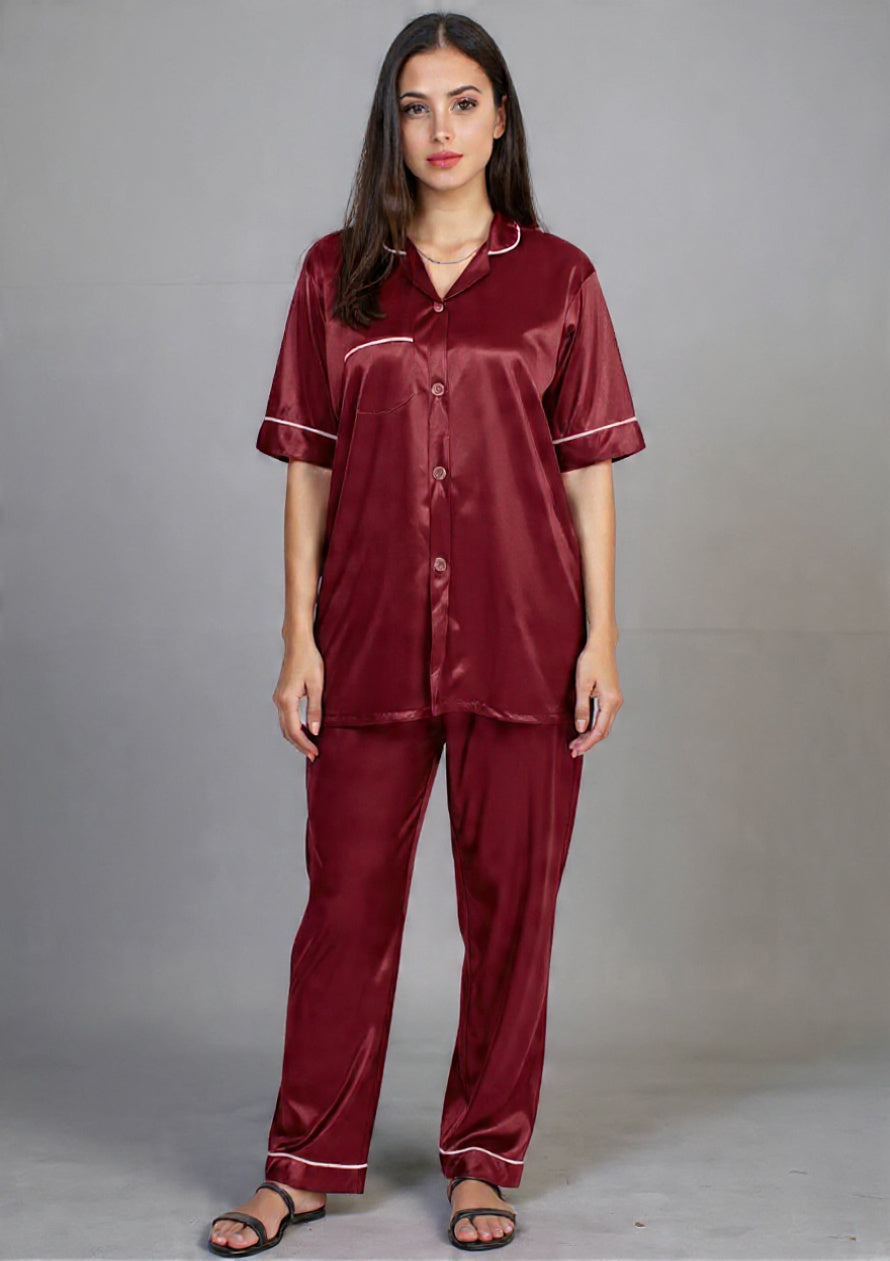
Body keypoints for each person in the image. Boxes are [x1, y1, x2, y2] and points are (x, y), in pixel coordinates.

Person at [208, 9, 645, 1256]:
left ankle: (483, 1157)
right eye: (415, 106)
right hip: (365, 634)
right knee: (344, 904)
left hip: (525, 632)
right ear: (389, 127)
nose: (439, 129)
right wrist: (296, 638)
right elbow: (308, 469)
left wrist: (601, 640)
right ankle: (301, 1165)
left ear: (499, 118)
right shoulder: (334, 274)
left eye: (461, 102)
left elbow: (586, 474)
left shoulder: (560, 279)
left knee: (512, 910)